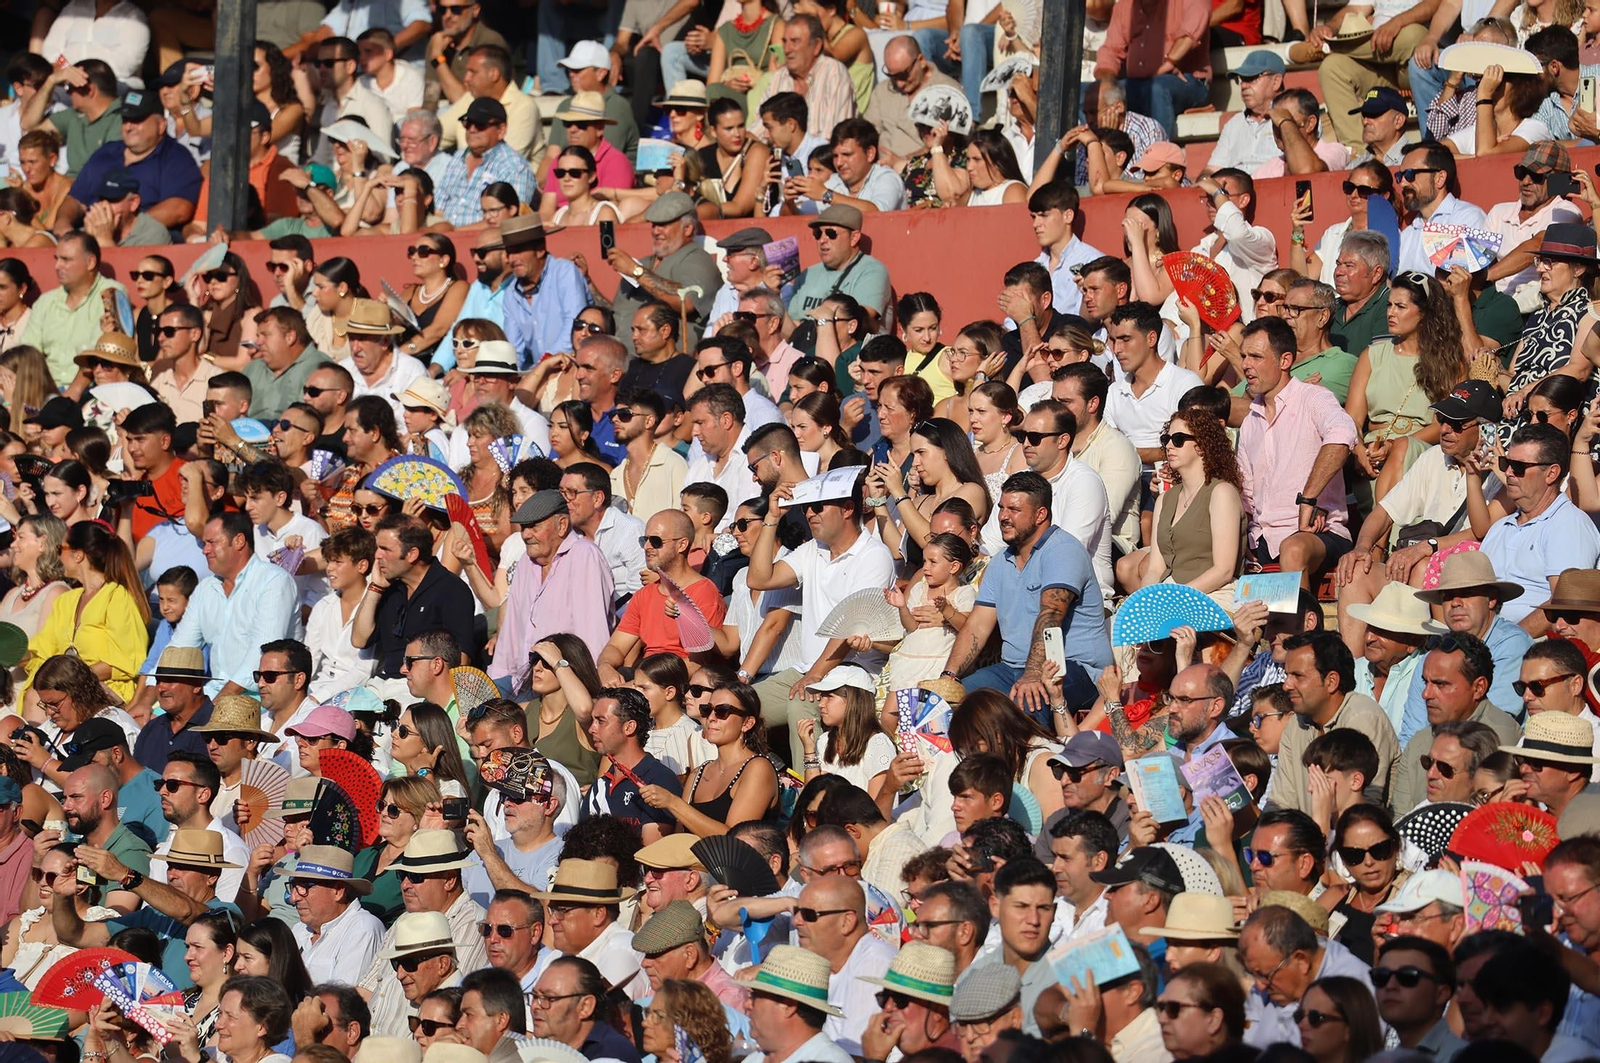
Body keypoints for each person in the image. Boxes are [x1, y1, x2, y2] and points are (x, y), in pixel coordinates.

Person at [941, 472, 1110, 722]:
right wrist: (949, 676)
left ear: (1040, 514)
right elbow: (976, 626)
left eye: (1014, 509)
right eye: (1001, 508)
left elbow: (1051, 615)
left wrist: (1032, 674)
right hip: (1011, 669)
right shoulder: (1000, 562)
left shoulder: (1063, 550)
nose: (1003, 516)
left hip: (1073, 668)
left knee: (1025, 707)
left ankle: (1033, 760)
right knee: (955, 704)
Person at [1236, 318, 1359, 588]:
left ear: (1285, 360)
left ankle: (1302, 628)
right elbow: (1246, 495)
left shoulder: (1313, 398)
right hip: (1262, 540)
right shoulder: (1250, 422)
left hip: (1319, 534)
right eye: (1244, 356)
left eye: (1256, 356)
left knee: (1293, 550)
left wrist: (1309, 500)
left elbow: (1343, 435)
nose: (1246, 365)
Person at [1481, 424, 1600, 634]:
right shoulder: (1500, 527)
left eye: (1518, 467)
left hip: (1531, 647)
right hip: (1483, 642)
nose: (1507, 472)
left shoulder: (1568, 524)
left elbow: (1563, 604)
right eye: (1506, 463)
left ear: (1551, 473)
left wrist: (1509, 642)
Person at [1118, 407, 1244, 600]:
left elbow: (1223, 571)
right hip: (1172, 592)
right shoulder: (1165, 499)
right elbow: (1155, 569)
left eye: (1178, 440)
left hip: (1214, 595)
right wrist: (1144, 601)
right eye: (1165, 440)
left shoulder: (1221, 493)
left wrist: (1174, 599)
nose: (1169, 446)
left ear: (1202, 445)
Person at [1266, 632, 1399, 813]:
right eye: (1287, 675)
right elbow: (1281, 805)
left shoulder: (1362, 717)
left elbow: (1362, 808)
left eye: (1298, 676)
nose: (1286, 685)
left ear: (1331, 681)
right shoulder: (1296, 724)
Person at [1374, 936, 1465, 1061]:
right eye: (1381, 976)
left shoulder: (1462, 1057)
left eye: (1408, 977)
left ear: (1441, 994)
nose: (1390, 986)